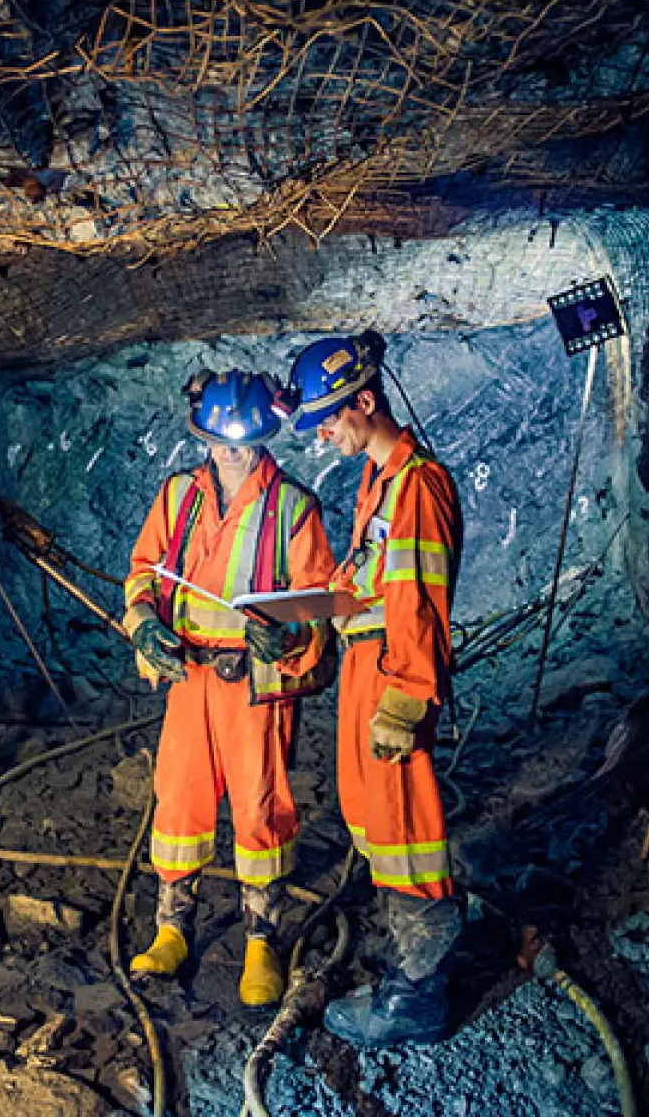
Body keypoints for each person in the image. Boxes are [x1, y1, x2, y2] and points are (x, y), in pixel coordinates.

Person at [122, 369, 336, 1007]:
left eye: (238, 441)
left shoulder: (294, 507)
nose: (227, 451)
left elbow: (318, 601)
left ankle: (261, 942)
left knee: (259, 805)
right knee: (179, 800)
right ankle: (172, 930)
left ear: (264, 437)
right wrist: (144, 626)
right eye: (216, 439)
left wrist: (290, 638)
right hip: (189, 675)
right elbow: (142, 571)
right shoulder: (178, 496)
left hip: (253, 684)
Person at [288, 331, 465, 1046]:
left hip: (395, 671)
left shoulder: (418, 484)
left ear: (366, 400)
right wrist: (304, 616)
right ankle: (405, 964)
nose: (322, 432)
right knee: (377, 824)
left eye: (328, 416)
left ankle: (417, 999)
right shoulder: (378, 483)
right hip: (369, 667)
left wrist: (409, 693)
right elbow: (364, 579)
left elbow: (418, 596)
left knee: (407, 833)